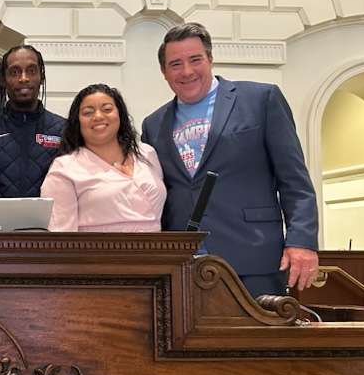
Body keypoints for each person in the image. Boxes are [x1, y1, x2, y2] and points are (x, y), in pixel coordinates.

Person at [140, 22, 319, 299]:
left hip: (253, 256)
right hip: (183, 264)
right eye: (175, 64)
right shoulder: (153, 124)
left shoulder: (260, 99)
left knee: (259, 342)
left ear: (210, 59)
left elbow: (294, 180)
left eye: (195, 59)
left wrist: (302, 241)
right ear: (164, 72)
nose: (186, 71)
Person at [40, 84, 166, 232]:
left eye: (107, 109)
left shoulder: (147, 153)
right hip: (97, 254)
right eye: (88, 112)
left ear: (119, 114)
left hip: (156, 253)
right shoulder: (64, 168)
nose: (98, 116)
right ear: (77, 121)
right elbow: (60, 238)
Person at [0, 44, 65, 197]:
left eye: (31, 71)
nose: (24, 78)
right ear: (3, 80)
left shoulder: (62, 129)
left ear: (41, 77)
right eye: (15, 72)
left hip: (47, 220)